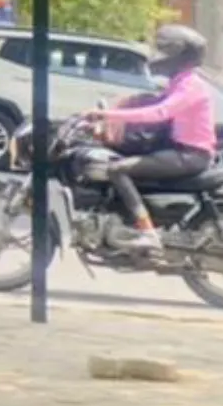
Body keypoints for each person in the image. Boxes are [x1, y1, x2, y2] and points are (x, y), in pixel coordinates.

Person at [92, 24, 216, 249]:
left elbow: (159, 113)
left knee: (117, 170)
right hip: (179, 151)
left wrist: (108, 115)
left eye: (165, 50)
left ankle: (147, 231)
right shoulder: (180, 82)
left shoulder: (191, 86)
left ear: (179, 55)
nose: (158, 56)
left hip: (190, 155)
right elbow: (153, 105)